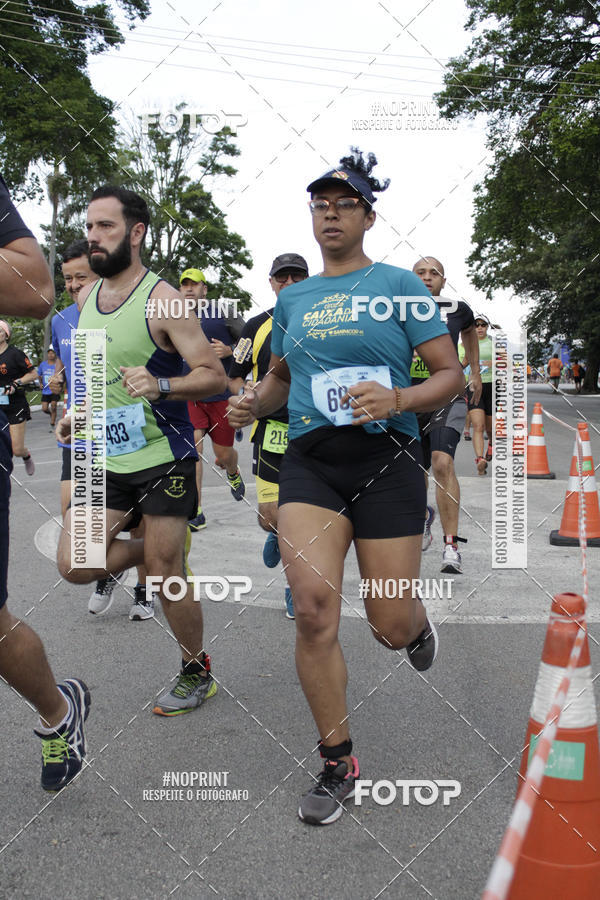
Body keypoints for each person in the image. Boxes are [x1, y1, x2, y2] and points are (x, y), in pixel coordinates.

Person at [228, 149, 464, 825]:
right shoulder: (293, 298)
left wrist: (397, 399)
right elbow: (278, 379)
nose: (330, 213)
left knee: (387, 625)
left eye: (345, 203)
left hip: (388, 461)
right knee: (312, 609)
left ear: (367, 213)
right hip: (312, 465)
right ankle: (338, 761)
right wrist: (253, 403)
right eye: (320, 204)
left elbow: (450, 376)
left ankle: (414, 628)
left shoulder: (398, 286)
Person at [56, 184, 227, 716]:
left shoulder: (165, 299)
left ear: (136, 232)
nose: (93, 237)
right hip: (104, 455)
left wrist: (163, 387)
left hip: (163, 454)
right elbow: (91, 378)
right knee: (74, 563)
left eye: (105, 226)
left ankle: (195, 670)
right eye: (89, 227)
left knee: (166, 572)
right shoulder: (85, 301)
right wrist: (74, 414)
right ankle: (155, 557)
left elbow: (214, 375)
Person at [0, 173, 89, 791]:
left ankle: (59, 712)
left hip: (134, 439)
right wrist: (49, 390)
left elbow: (32, 284)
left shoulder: (143, 306)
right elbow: (53, 368)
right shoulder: (64, 326)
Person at [50, 240, 152, 621]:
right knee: (73, 518)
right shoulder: (60, 321)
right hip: (79, 432)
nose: (74, 285)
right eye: (68, 279)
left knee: (139, 520)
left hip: (125, 428)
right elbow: (67, 372)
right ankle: (106, 568)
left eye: (82, 276)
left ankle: (145, 590)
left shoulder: (129, 312)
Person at [228, 252, 309, 619]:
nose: (289, 284)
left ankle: (295, 587)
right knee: (270, 516)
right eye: (282, 278)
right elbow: (234, 374)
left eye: (297, 277)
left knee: (304, 516)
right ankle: (275, 532)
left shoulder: (325, 322)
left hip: (313, 431)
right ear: (272, 283)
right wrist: (246, 397)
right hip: (271, 430)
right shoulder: (256, 326)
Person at [411, 257, 481, 573]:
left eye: (434, 273)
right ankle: (424, 515)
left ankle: (451, 545)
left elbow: (468, 333)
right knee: (410, 476)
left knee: (443, 462)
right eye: (420, 273)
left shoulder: (457, 309)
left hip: (447, 397)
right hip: (408, 400)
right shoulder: (393, 309)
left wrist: (475, 370)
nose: (427, 278)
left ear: (443, 280)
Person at [179, 268, 246, 531]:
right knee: (193, 448)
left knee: (224, 453)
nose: (188, 289)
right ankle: (195, 510)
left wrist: (230, 350)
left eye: (194, 285)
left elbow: (249, 340)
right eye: (184, 285)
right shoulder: (174, 317)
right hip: (191, 396)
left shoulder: (225, 311)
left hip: (221, 396)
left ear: (204, 289)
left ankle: (232, 471)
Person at [0, 320, 39, 475]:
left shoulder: (15, 354)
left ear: (6, 334)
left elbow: (34, 374)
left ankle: (26, 455)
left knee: (16, 449)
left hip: (15, 406)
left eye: (0, 330)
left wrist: (16, 383)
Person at [460, 314, 493, 475]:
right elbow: (462, 363)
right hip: (473, 387)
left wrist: (494, 362)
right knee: (478, 426)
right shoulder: (465, 344)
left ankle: (492, 444)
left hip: (492, 386)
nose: (479, 328)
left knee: (489, 427)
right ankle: (480, 459)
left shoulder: (494, 344)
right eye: (476, 325)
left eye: (483, 325)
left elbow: (509, 363)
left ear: (487, 327)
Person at [37, 347, 59, 429]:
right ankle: (51, 414)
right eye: (49, 353)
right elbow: (39, 375)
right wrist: (40, 383)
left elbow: (61, 375)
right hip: (45, 390)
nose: (50, 355)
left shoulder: (58, 364)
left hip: (54, 390)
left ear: (55, 354)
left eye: (52, 353)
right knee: (44, 408)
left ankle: (52, 423)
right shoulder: (43, 364)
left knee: (53, 406)